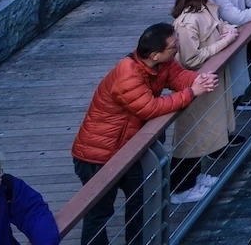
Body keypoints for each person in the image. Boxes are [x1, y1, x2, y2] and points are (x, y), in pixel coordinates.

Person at [69, 24, 215, 245]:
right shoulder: (127, 74)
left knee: (141, 203)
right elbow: (149, 108)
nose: (177, 48)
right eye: (173, 46)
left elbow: (178, 76)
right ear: (155, 54)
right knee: (98, 214)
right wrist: (192, 92)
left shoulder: (161, 63)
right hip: (96, 157)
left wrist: (198, 80)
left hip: (129, 149)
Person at [167, 0, 234, 203]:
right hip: (196, 83)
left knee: (202, 132)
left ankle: (193, 178)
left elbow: (218, 24)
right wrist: (225, 41)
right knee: (190, 136)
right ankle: (180, 188)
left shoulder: (205, 5)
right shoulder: (187, 21)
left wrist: (226, 30)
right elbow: (190, 58)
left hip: (207, 80)